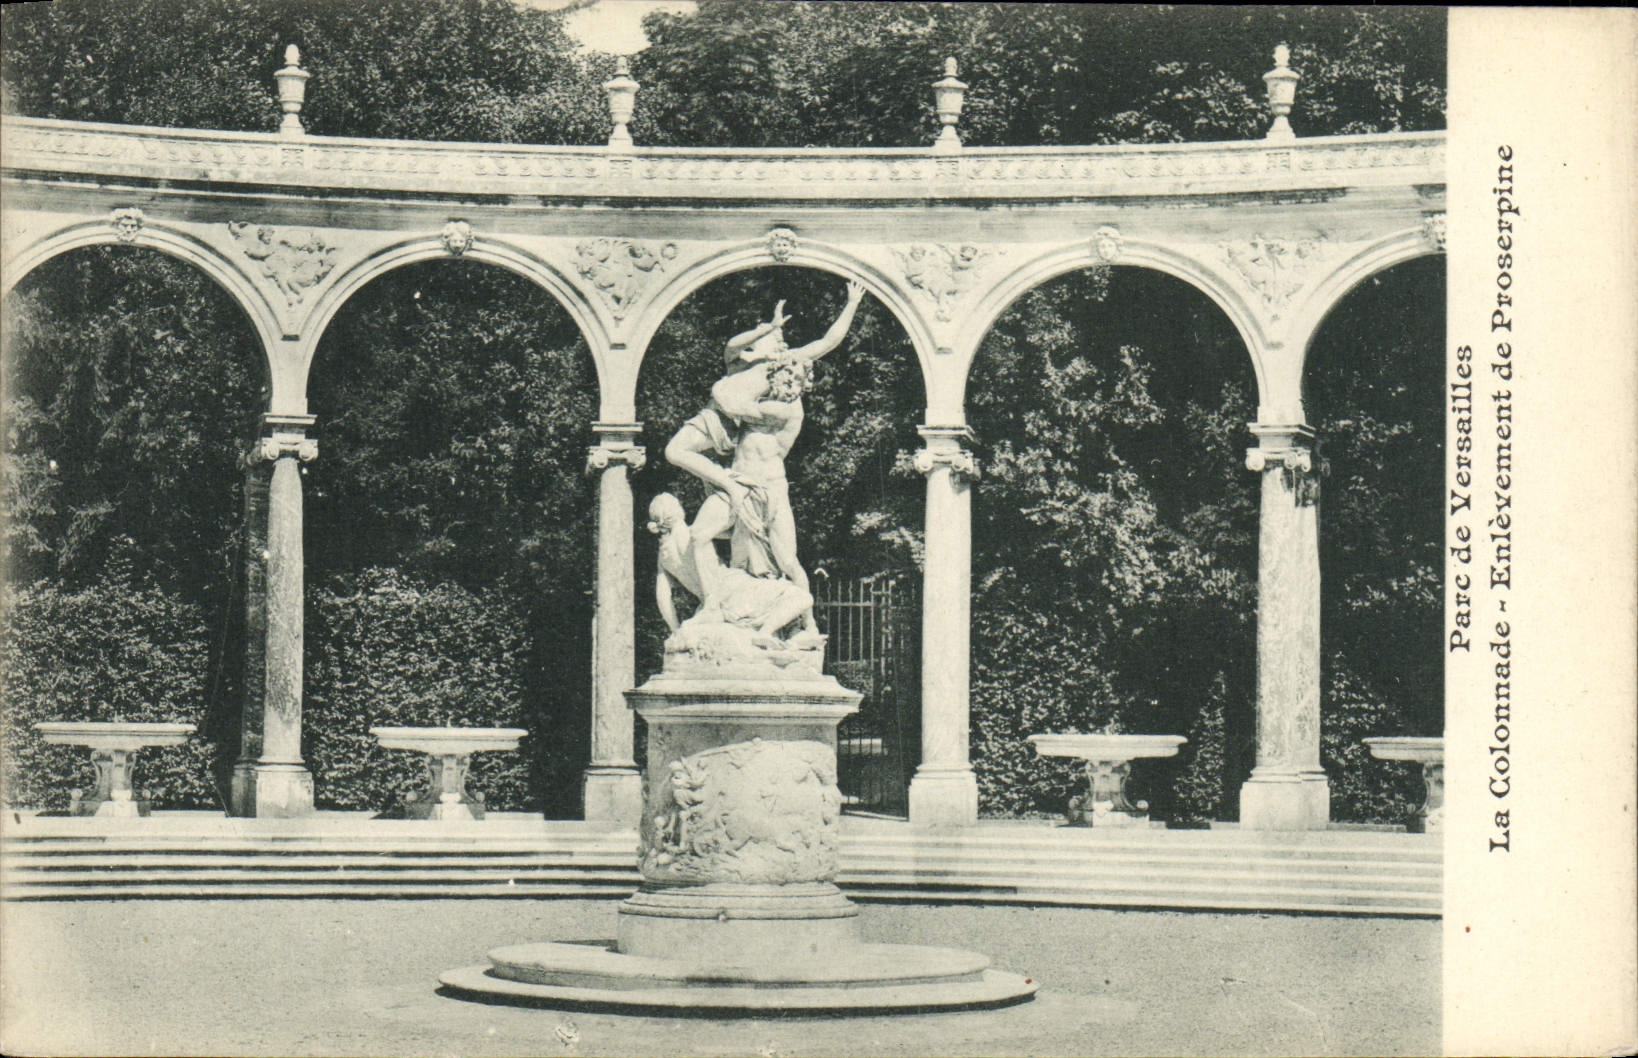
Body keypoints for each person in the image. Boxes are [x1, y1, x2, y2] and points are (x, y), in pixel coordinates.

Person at [663, 281, 865, 616]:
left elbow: (830, 341)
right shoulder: (743, 363)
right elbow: (731, 346)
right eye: (765, 333)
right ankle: (718, 600)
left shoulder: (787, 371)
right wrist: (767, 328)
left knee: (776, 557)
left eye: (771, 333)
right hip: (723, 432)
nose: (773, 336)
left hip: (755, 470)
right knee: (677, 455)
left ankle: (800, 622)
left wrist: (852, 303)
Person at [648, 492, 810, 647]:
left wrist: (675, 630)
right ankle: (765, 633)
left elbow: (663, 597)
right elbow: (733, 529)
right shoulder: (697, 535)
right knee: (801, 597)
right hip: (736, 590)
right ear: (678, 510)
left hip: (717, 604)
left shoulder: (664, 556)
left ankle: (767, 632)